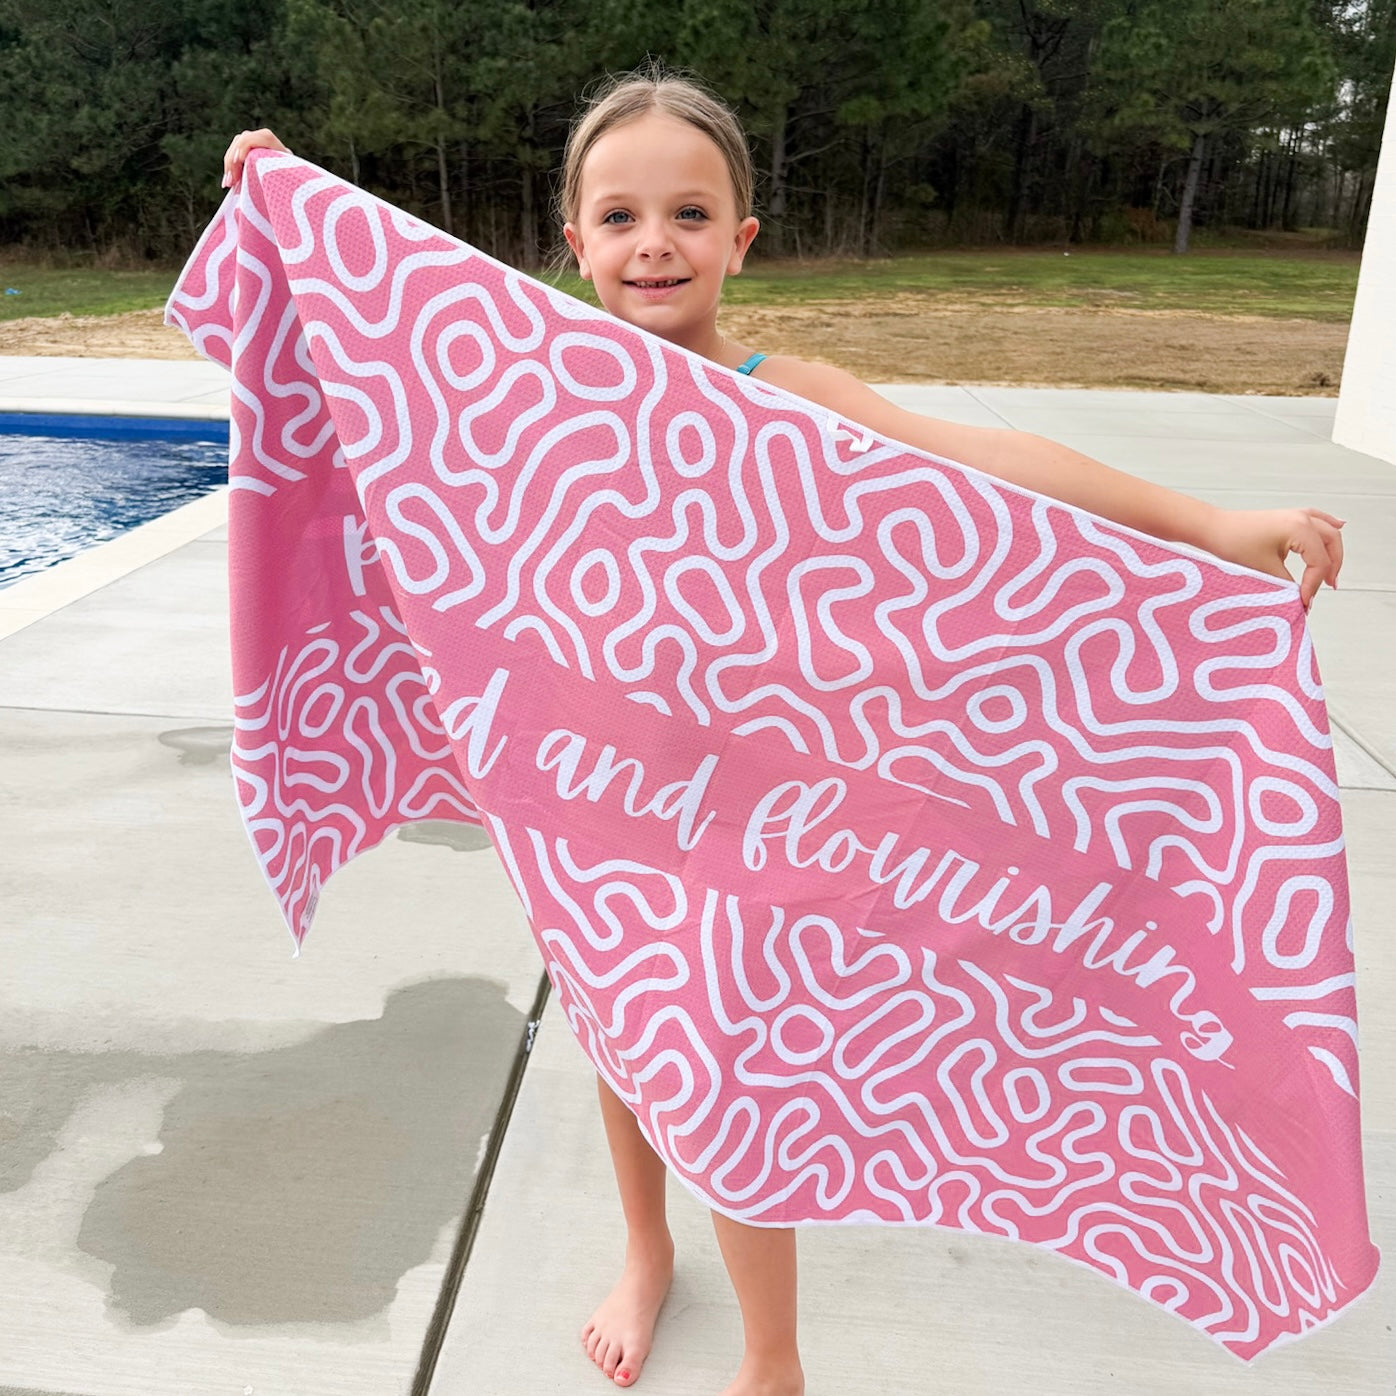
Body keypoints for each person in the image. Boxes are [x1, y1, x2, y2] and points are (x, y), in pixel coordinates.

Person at [221, 67, 1344, 1396]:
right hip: (596, 795)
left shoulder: (783, 393)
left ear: (740, 239)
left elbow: (982, 464)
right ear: (571, 238)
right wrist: (290, 198)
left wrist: (1213, 529)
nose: (656, 244)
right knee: (619, 1028)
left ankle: (773, 1360)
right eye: (622, 216)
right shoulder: (532, 385)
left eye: (691, 214)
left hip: (754, 808)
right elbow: (385, 332)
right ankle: (644, 1250)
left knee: (735, 1069)